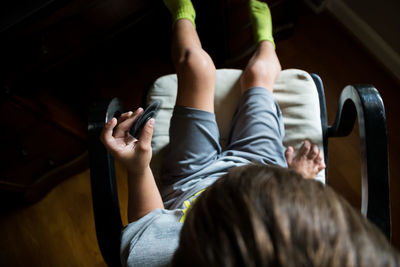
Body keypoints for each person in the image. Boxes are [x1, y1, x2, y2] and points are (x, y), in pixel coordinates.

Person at [99, 0, 399, 266]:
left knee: (196, 66)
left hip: (190, 180)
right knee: (258, 76)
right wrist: (296, 184)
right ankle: (266, 39)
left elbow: (148, 226)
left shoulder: (155, 257)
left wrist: (138, 168)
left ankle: (183, 11)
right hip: (266, 169)